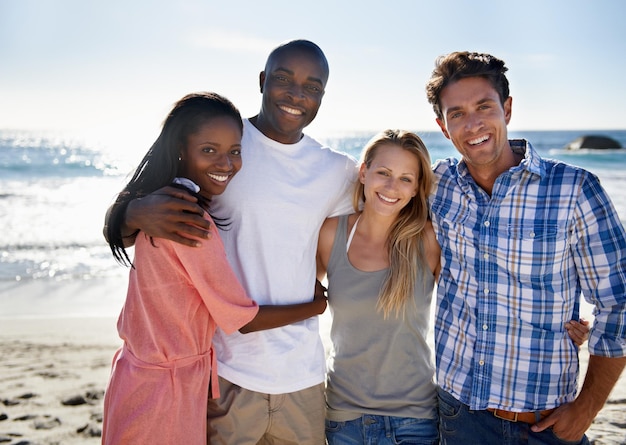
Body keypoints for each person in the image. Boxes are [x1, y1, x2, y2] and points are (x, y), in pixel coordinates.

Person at [103, 40, 358, 444]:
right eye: (283, 79)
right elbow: (123, 220)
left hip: (302, 373)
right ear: (262, 81)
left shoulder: (336, 170)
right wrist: (131, 213)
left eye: (313, 86)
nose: (296, 95)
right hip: (224, 372)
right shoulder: (221, 141)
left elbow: (392, 198)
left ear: (323, 96)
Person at [425, 51, 626, 444]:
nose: (474, 124)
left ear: (508, 109)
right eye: (457, 114)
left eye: (484, 106)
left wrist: (587, 407)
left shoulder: (574, 190)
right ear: (443, 127)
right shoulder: (437, 186)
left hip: (546, 424)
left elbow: (618, 303)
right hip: (457, 416)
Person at [317, 129, 441, 444]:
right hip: (344, 420)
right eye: (383, 173)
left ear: (416, 189)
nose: (391, 187)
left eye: (405, 179)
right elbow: (297, 295)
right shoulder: (332, 234)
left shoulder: (428, 240)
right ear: (363, 173)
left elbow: (476, 298)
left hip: (415, 420)